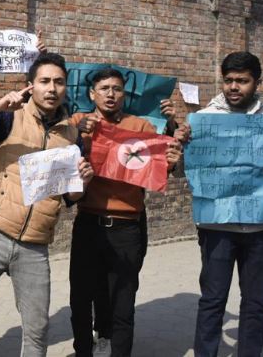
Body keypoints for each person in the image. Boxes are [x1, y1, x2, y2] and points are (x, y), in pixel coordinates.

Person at [0, 53, 95, 357]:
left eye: (59, 82)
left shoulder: (72, 136)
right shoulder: (10, 116)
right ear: (30, 85)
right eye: (44, 81)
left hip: (34, 245)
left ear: (66, 87)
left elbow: (69, 198)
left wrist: (83, 184)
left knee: (37, 331)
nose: (52, 88)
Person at [68, 67, 181, 357]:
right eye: (104, 88)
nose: (111, 94)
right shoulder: (79, 122)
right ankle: (84, 351)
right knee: (81, 298)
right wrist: (78, 134)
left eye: (117, 89)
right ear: (92, 94)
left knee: (123, 302)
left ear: (124, 94)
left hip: (127, 226)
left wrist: (170, 157)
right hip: (88, 223)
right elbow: (55, 150)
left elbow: (160, 166)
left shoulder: (140, 127)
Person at [175, 51, 263, 357]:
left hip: (260, 228)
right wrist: (180, 150)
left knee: (256, 304)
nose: (234, 87)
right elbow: (183, 173)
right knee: (212, 300)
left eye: (242, 81)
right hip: (216, 227)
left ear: (257, 82)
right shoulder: (204, 120)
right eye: (229, 80)